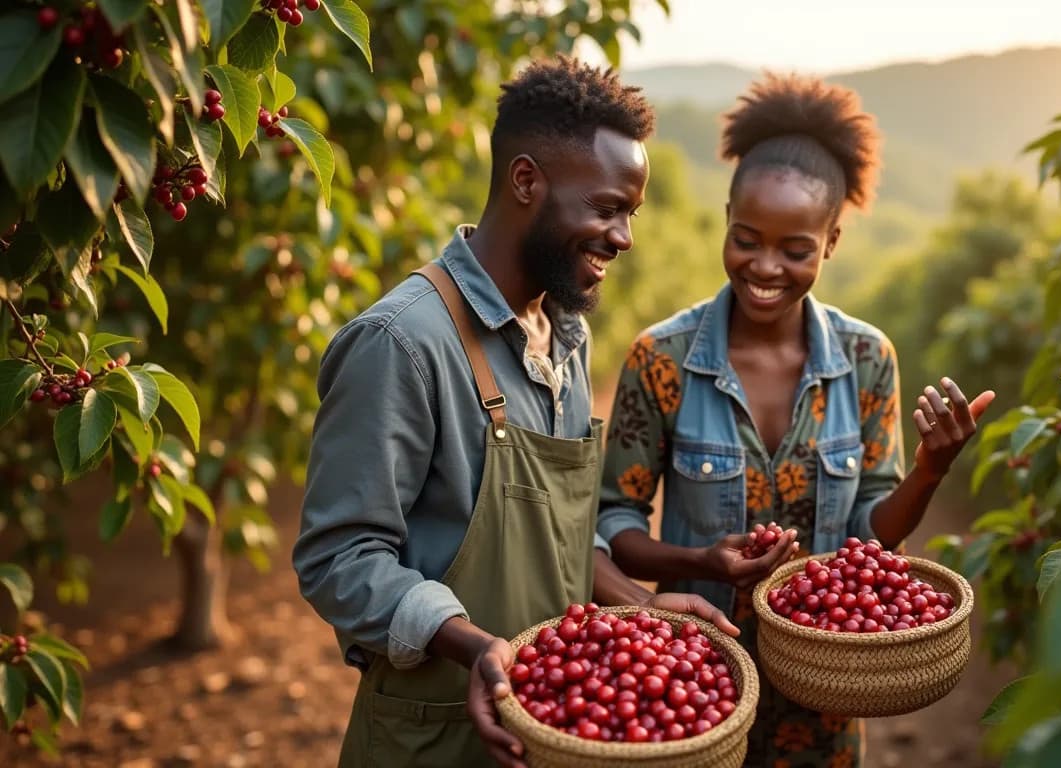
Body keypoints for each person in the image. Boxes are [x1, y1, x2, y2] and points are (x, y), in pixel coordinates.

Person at [292, 57, 736, 768]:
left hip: (553, 731)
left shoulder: (564, 333)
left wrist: (635, 603)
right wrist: (469, 644)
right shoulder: (403, 343)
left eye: (631, 212)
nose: (623, 237)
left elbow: (551, 539)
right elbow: (337, 560)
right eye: (606, 208)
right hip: (434, 737)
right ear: (526, 181)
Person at [597, 73, 995, 766]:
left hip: (827, 694)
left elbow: (874, 528)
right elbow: (615, 524)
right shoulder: (661, 359)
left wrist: (930, 470)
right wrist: (698, 560)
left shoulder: (868, 359)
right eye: (747, 239)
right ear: (725, 217)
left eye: (796, 249)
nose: (765, 268)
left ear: (832, 242)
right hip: (695, 683)